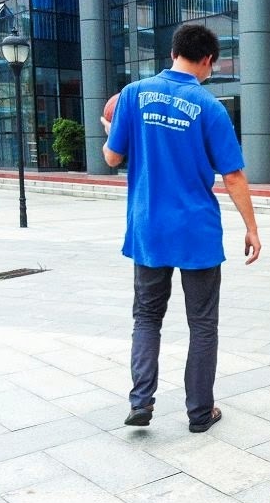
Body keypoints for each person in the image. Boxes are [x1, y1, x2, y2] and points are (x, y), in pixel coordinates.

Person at [102, 24, 261, 433]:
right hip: (196, 231)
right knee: (202, 323)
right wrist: (251, 227)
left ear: (173, 52)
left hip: (149, 227)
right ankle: (199, 413)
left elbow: (112, 158)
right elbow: (233, 175)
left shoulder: (133, 95)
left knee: (146, 317)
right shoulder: (209, 106)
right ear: (207, 60)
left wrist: (109, 132)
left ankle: (141, 401)